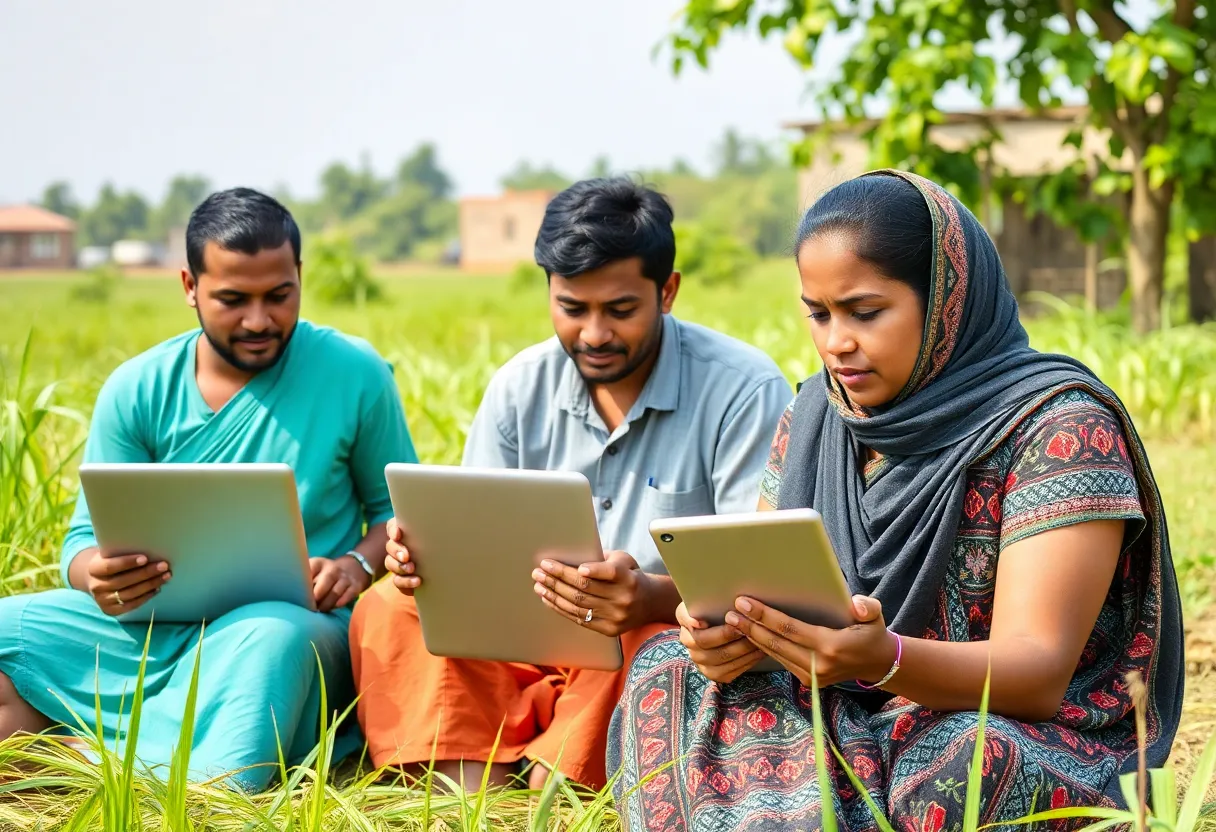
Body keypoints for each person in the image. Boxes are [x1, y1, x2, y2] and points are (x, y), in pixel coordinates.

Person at [608, 170, 1184, 830]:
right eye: (818, 315)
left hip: (1006, 725)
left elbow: (1038, 670)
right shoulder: (816, 417)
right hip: (845, 701)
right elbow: (767, 590)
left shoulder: (1058, 428)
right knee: (668, 673)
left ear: (946, 301)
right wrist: (734, 637)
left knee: (964, 765)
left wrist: (885, 660)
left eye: (865, 312)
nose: (836, 343)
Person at [350, 177, 792, 791]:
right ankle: (471, 783)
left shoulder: (742, 389)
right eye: (571, 308)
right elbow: (470, 539)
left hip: (639, 635)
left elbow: (754, 584)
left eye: (619, 310)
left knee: (664, 640)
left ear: (667, 292)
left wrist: (647, 597)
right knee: (390, 607)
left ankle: (551, 778)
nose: (593, 335)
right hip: (516, 634)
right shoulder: (519, 386)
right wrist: (421, 555)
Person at [0, 188, 417, 791]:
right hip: (145, 630)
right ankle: (110, 752)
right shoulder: (137, 387)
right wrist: (96, 574)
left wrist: (357, 563)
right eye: (232, 299)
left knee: (271, 648)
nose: (258, 320)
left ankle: (94, 759)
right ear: (189, 287)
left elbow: (396, 513)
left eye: (279, 296)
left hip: (286, 625)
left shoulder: (355, 373)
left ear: (300, 276)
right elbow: (82, 541)